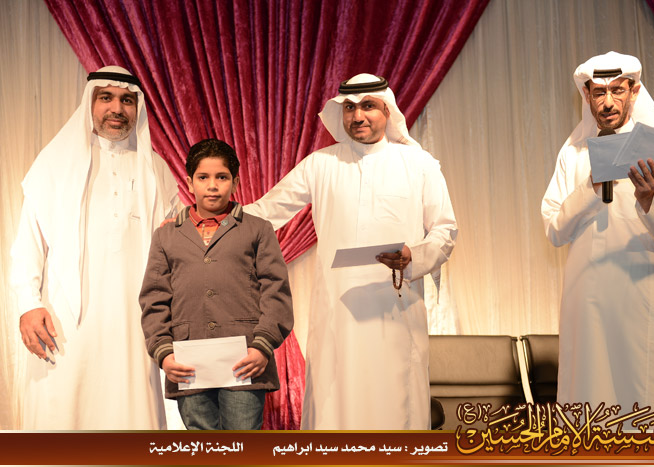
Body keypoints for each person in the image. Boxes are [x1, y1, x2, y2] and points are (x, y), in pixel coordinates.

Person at [244, 73, 458, 429]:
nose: (357, 116)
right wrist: (209, 217)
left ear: (387, 110)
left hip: (395, 309)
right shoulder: (320, 164)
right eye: (349, 107)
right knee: (335, 406)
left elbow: (445, 230)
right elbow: (267, 211)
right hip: (336, 314)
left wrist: (413, 256)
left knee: (395, 407)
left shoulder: (419, 164)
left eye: (367, 106)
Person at [10, 66, 180, 429]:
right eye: (106, 98)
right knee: (61, 415)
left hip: (134, 324)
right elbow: (27, 244)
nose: (117, 108)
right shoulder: (54, 164)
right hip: (63, 322)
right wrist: (28, 305)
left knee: (130, 414)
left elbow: (175, 251)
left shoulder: (157, 171)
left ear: (138, 108)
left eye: (127, 100)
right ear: (90, 102)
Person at [541, 52, 654, 420]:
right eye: (598, 92)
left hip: (639, 296)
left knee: (642, 400)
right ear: (587, 96)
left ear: (634, 92)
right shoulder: (573, 155)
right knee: (588, 399)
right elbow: (554, 230)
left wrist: (649, 200)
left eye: (617, 91)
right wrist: (590, 187)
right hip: (586, 300)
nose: (607, 102)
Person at [140, 138, 294, 430]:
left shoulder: (258, 229)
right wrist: (164, 352)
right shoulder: (166, 235)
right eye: (203, 177)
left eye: (222, 177)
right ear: (189, 182)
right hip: (188, 363)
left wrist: (262, 346)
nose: (212, 185)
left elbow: (276, 292)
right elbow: (154, 298)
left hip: (244, 360)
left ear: (235, 182)